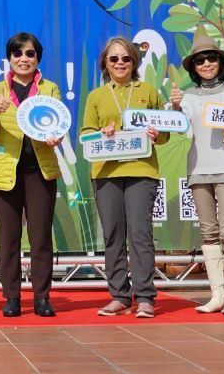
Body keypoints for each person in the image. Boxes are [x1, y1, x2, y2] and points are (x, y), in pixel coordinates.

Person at [80, 36, 168, 319]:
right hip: (106, 173)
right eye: (114, 58)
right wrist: (100, 133)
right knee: (113, 236)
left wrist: (157, 134)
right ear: (105, 62)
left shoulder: (149, 91)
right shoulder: (96, 96)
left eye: (126, 58)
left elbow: (166, 132)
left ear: (134, 61)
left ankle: (144, 297)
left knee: (140, 235)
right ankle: (119, 295)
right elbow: (85, 135)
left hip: (142, 171)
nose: (120, 63)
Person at [0, 33, 61, 317]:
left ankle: (41, 297)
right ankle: (11, 297)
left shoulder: (49, 89)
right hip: (5, 171)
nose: (23, 59)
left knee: (40, 238)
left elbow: (58, 124)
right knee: (8, 238)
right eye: (17, 54)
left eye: (29, 54)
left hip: (40, 170)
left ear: (38, 58)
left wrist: (56, 136)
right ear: (9, 58)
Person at [170, 26, 224, 315]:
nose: (206, 63)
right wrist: (175, 108)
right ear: (193, 67)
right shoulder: (187, 96)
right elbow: (177, 129)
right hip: (197, 169)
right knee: (208, 232)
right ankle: (217, 294)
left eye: (211, 58)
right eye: (200, 60)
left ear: (221, 62)